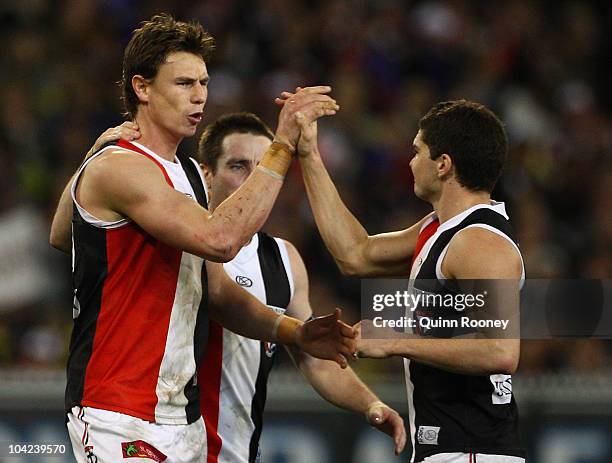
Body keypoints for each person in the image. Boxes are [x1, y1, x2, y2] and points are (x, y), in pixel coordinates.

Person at [49, 14, 354, 463]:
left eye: (204, 82)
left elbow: (220, 293)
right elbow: (220, 239)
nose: (199, 96)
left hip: (181, 419)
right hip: (118, 412)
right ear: (142, 87)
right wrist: (283, 142)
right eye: (183, 83)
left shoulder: (190, 173)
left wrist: (297, 333)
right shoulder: (121, 165)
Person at [280, 94, 525, 462]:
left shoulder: (480, 241)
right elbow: (355, 255)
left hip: (472, 450)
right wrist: (309, 155)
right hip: (450, 449)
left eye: (416, 151)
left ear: (442, 164)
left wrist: (396, 341)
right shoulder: (440, 229)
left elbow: (500, 351)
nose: (410, 163)